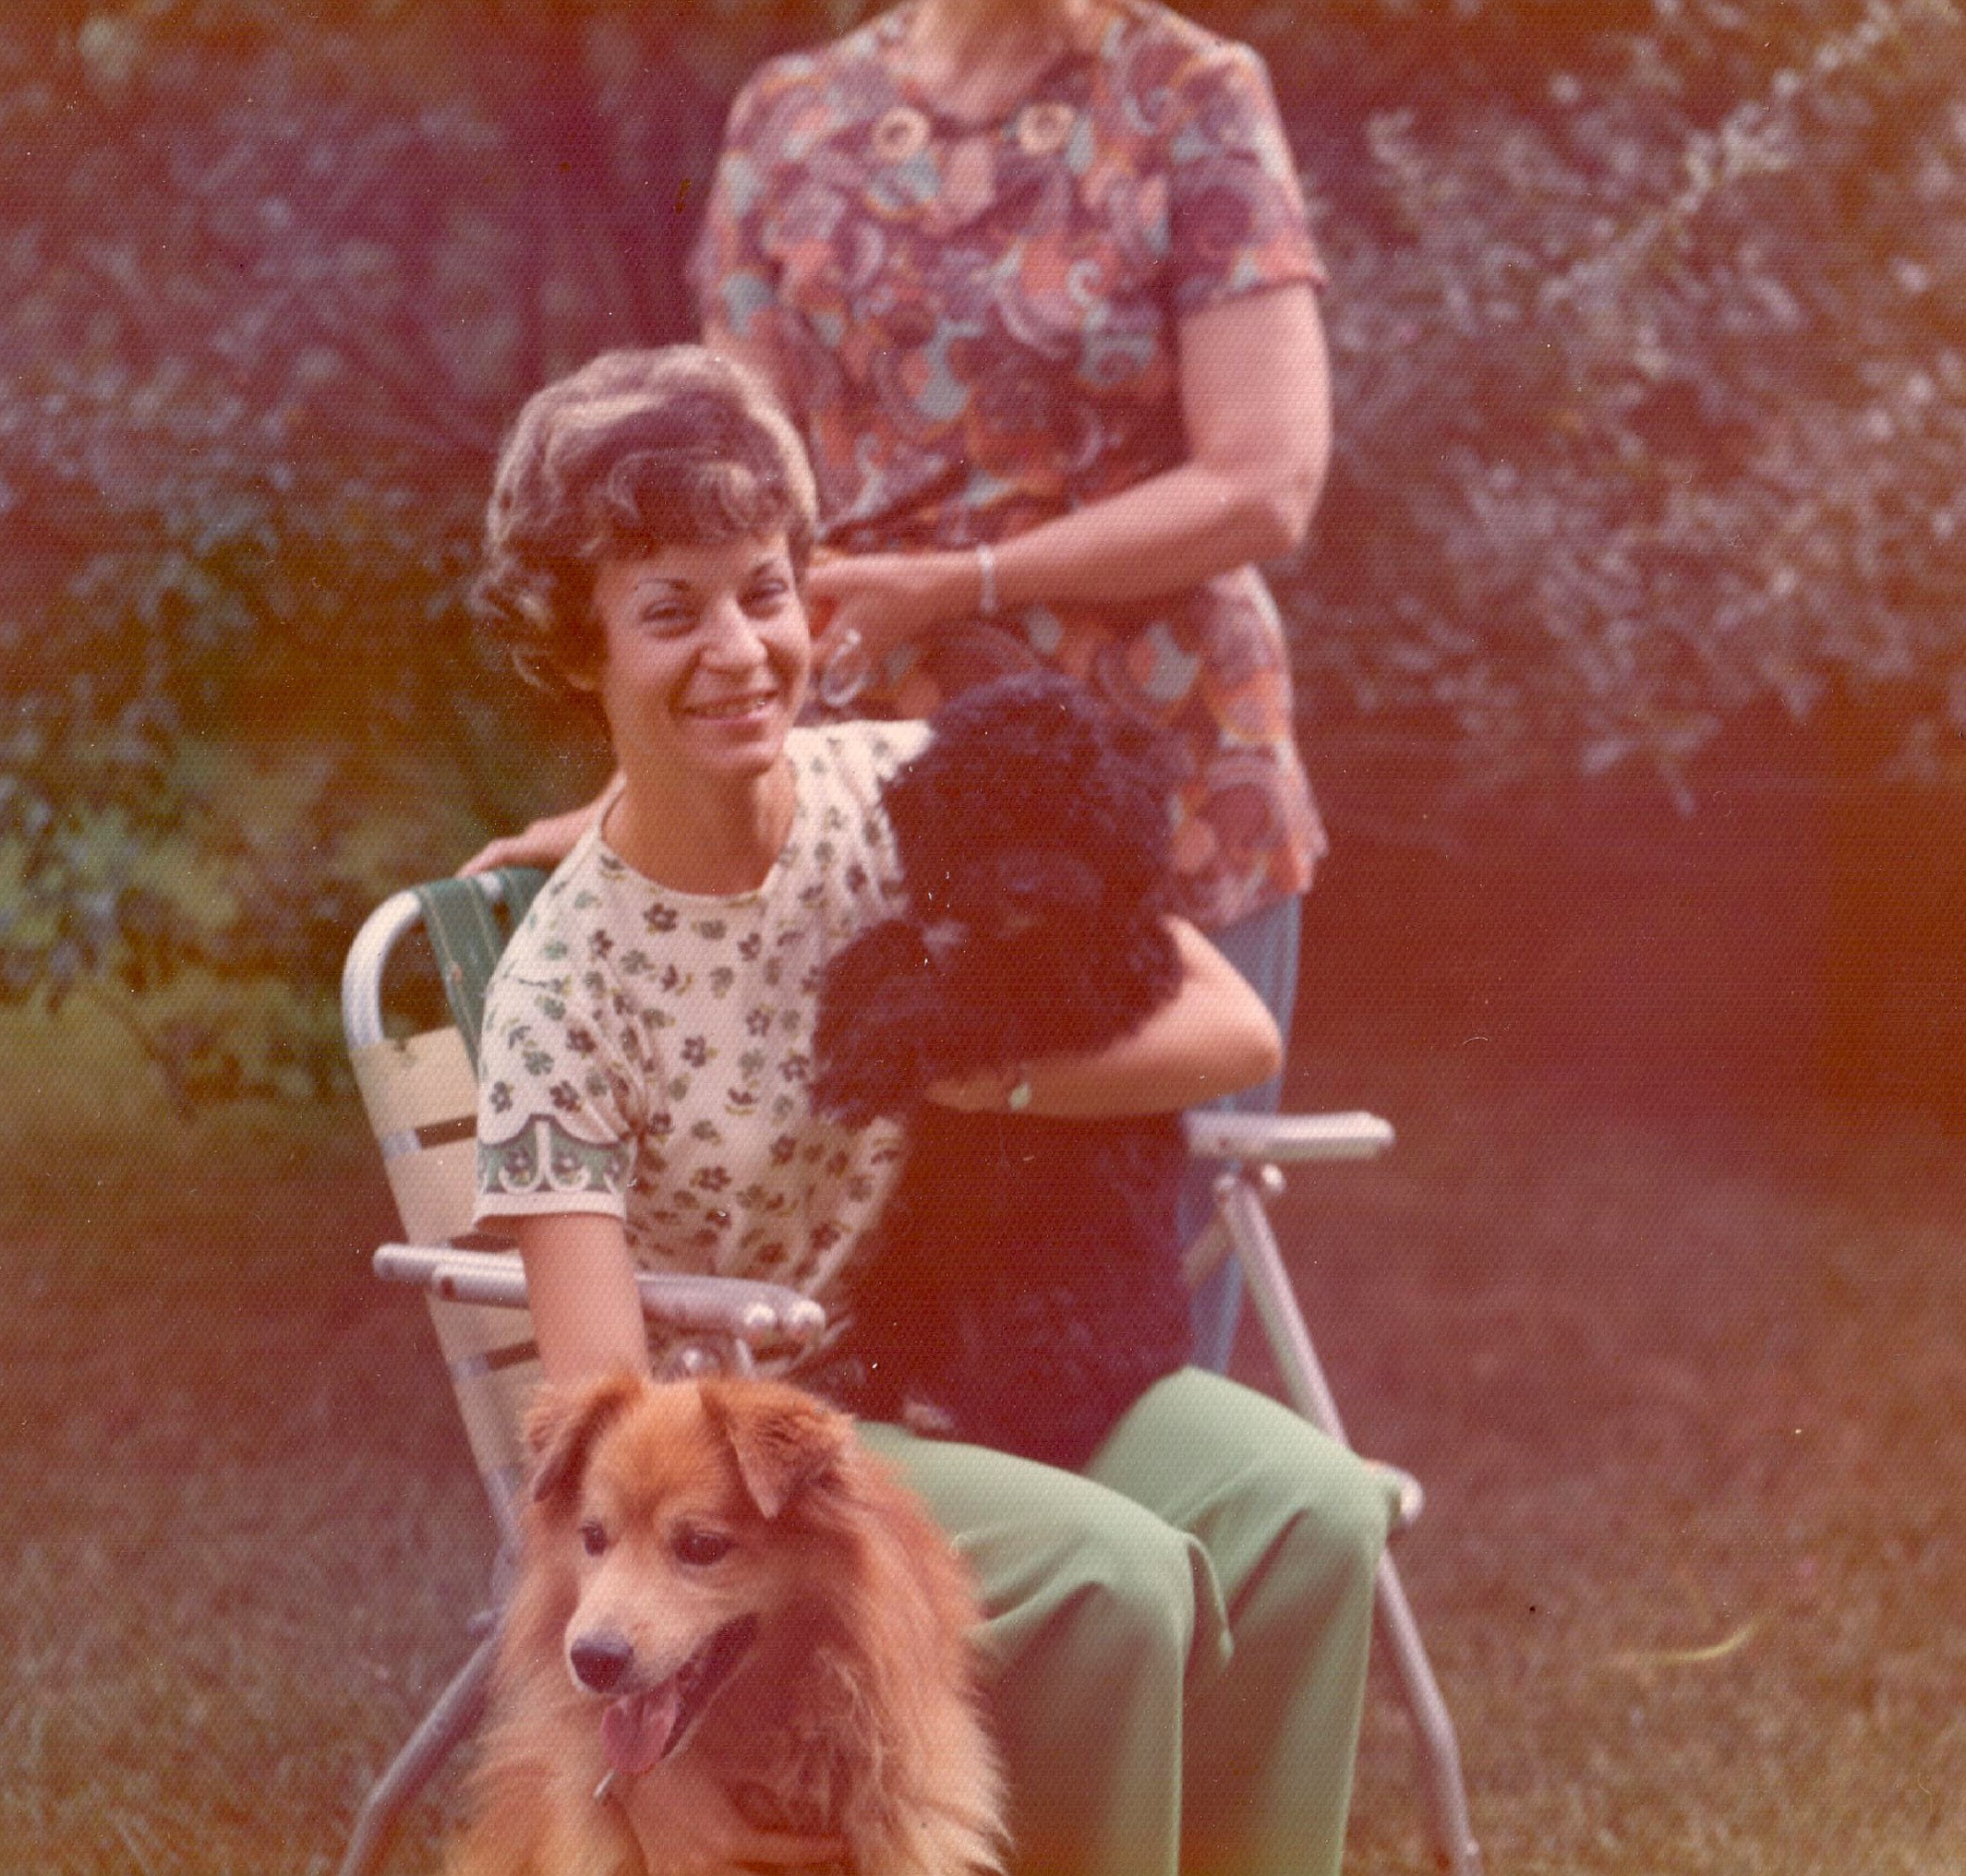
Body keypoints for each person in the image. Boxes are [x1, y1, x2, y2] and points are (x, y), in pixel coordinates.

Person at [467, 344, 1389, 1876]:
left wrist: (970, 1072)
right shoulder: (563, 991)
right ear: (583, 652)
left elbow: (1228, 1021)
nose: (742, 649)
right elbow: (593, 1426)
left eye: (764, 590)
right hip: (780, 1463)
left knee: (1315, 1511)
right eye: (670, 612)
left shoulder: (902, 790)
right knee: (1115, 1580)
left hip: (986, 1352)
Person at [467, 0, 1335, 1363]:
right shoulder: (792, 118)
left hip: (1145, 794)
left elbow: (1266, 483)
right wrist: (638, 796)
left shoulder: (1190, 96)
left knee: (1130, 1301)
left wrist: (959, 584)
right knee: (901, 1266)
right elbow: (709, 508)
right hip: (871, 815)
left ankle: (1146, 1561)